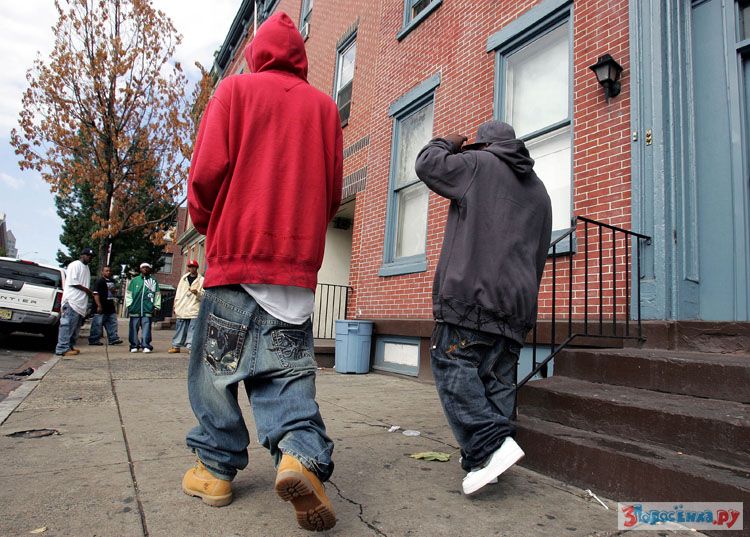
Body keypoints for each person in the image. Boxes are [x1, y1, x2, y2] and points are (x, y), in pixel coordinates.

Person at [181, 12, 343, 532]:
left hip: (236, 260)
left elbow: (205, 177)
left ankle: (215, 470)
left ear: (256, 54)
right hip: (292, 275)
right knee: (287, 377)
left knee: (214, 374)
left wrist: (211, 226)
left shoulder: (234, 91)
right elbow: (332, 192)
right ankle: (299, 454)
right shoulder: (324, 108)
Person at [415, 120, 552, 496]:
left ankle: (489, 447)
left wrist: (447, 142)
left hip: (472, 293)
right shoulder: (540, 192)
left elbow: (427, 164)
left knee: (452, 362)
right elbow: (538, 253)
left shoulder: (478, 164)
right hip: (517, 304)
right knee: (497, 380)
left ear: (485, 145)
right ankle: (486, 463)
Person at [55, 247, 95, 356]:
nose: (89, 257)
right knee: (67, 326)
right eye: (87, 255)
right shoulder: (75, 265)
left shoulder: (86, 268)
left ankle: (69, 347)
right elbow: (73, 282)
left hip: (80, 304)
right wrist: (88, 291)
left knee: (75, 329)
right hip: (72, 301)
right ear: (82, 255)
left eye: (91, 256)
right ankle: (62, 348)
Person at [168, 259, 204, 353]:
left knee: (192, 329)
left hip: (194, 307)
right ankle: (176, 346)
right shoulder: (183, 279)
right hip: (182, 306)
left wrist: (197, 293)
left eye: (193, 267)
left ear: (196, 268)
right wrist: (175, 305)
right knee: (180, 328)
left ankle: (191, 347)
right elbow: (178, 293)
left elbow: (204, 295)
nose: (191, 269)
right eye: (190, 267)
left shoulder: (201, 280)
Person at [125, 262, 161, 353]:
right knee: (133, 328)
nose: (145, 269)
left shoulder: (153, 281)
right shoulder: (135, 280)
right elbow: (128, 294)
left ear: (149, 269)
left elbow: (157, 294)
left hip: (147, 309)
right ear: (140, 269)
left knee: (146, 329)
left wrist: (156, 306)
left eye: (147, 267)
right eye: (143, 267)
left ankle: (146, 345)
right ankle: (134, 345)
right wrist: (129, 305)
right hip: (135, 309)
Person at [88, 265, 123, 346]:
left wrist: (114, 291)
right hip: (101, 306)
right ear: (102, 272)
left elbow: (113, 293)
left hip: (110, 306)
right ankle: (94, 340)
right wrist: (99, 305)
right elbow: (96, 294)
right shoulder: (99, 281)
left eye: (109, 271)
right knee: (97, 324)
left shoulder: (112, 281)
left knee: (112, 323)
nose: (108, 272)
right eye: (106, 271)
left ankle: (113, 339)